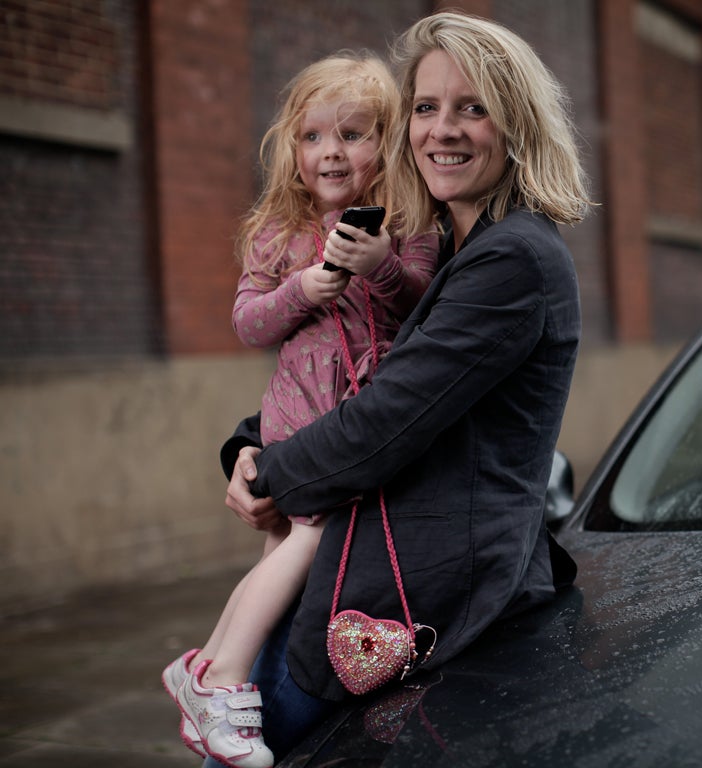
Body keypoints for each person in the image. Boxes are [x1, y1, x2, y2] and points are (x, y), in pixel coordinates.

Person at [215, 11, 594, 766]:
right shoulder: (460, 244)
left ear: (515, 125)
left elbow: (385, 419)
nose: (441, 130)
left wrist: (276, 473)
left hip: (411, 592)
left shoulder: (511, 260)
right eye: (426, 108)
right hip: (371, 574)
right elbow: (357, 371)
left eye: (471, 107)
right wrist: (249, 445)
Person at [160, 51, 439, 768]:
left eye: (353, 134)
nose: (330, 152)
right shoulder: (279, 233)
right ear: (292, 147)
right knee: (297, 555)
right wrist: (300, 291)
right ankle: (220, 682)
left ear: (388, 144)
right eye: (313, 137)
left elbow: (419, 308)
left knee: (281, 578)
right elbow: (248, 323)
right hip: (298, 423)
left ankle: (215, 686)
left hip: (353, 426)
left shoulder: (409, 224)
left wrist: (377, 261)